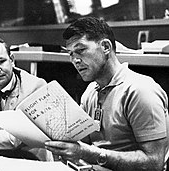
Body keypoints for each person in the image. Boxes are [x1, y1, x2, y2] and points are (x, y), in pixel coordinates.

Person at [45, 17, 169, 171]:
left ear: (105, 47)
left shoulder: (140, 90)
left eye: (80, 50)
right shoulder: (90, 92)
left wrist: (92, 154)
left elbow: (154, 162)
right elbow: (81, 144)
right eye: (71, 54)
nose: (75, 60)